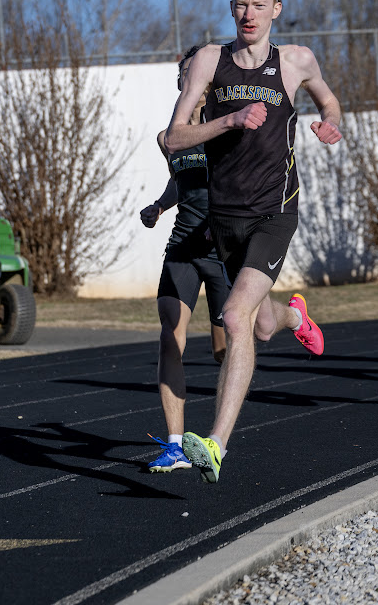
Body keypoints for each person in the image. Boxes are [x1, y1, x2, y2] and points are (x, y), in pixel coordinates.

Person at [164, 0, 342, 482]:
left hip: (275, 210)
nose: (248, 13)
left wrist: (330, 124)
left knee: (235, 317)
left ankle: (215, 444)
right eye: (241, 4)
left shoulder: (296, 61)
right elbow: (173, 137)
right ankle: (294, 318)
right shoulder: (208, 62)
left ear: (276, 11)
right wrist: (230, 119)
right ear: (232, 8)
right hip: (225, 216)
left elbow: (330, 102)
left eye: (258, 5)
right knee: (263, 324)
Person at [140, 46, 229, 472]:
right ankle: (175, 445)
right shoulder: (168, 138)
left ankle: (291, 317)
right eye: (184, 73)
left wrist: (224, 222)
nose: (189, 79)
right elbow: (181, 182)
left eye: (196, 72)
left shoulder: (226, 130)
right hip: (182, 249)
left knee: (224, 351)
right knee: (169, 337)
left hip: (224, 250)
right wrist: (159, 206)